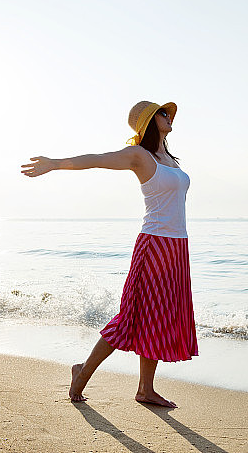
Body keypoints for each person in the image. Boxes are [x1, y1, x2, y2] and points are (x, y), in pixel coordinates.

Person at [20, 100, 198, 408]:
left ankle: (145, 389)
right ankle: (82, 372)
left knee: (158, 318)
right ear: (149, 121)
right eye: (162, 113)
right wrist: (55, 163)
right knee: (131, 317)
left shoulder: (169, 158)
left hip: (177, 247)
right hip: (154, 246)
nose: (169, 117)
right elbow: (98, 159)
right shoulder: (139, 155)